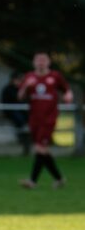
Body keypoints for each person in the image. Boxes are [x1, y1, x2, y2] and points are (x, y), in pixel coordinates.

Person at [17, 52, 72, 189]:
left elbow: (67, 90)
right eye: (38, 60)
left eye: (43, 60)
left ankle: (32, 181)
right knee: (43, 150)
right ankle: (59, 179)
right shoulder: (29, 77)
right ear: (34, 62)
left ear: (48, 62)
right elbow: (20, 96)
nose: (41, 63)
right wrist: (26, 87)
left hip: (49, 118)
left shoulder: (55, 76)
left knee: (40, 148)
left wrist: (68, 97)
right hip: (34, 118)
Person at [0, 71, 30, 153]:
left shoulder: (21, 89)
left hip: (21, 111)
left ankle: (27, 136)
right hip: (11, 111)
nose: (19, 82)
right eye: (17, 80)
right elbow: (14, 100)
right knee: (19, 119)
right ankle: (23, 136)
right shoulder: (8, 89)